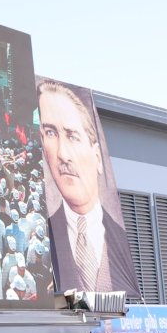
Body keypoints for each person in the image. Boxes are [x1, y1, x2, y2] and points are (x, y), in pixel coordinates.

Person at [37, 79, 135, 293]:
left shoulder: (121, 240)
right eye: (51, 133)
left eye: (72, 136)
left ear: (98, 156)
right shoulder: (43, 241)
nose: (62, 154)